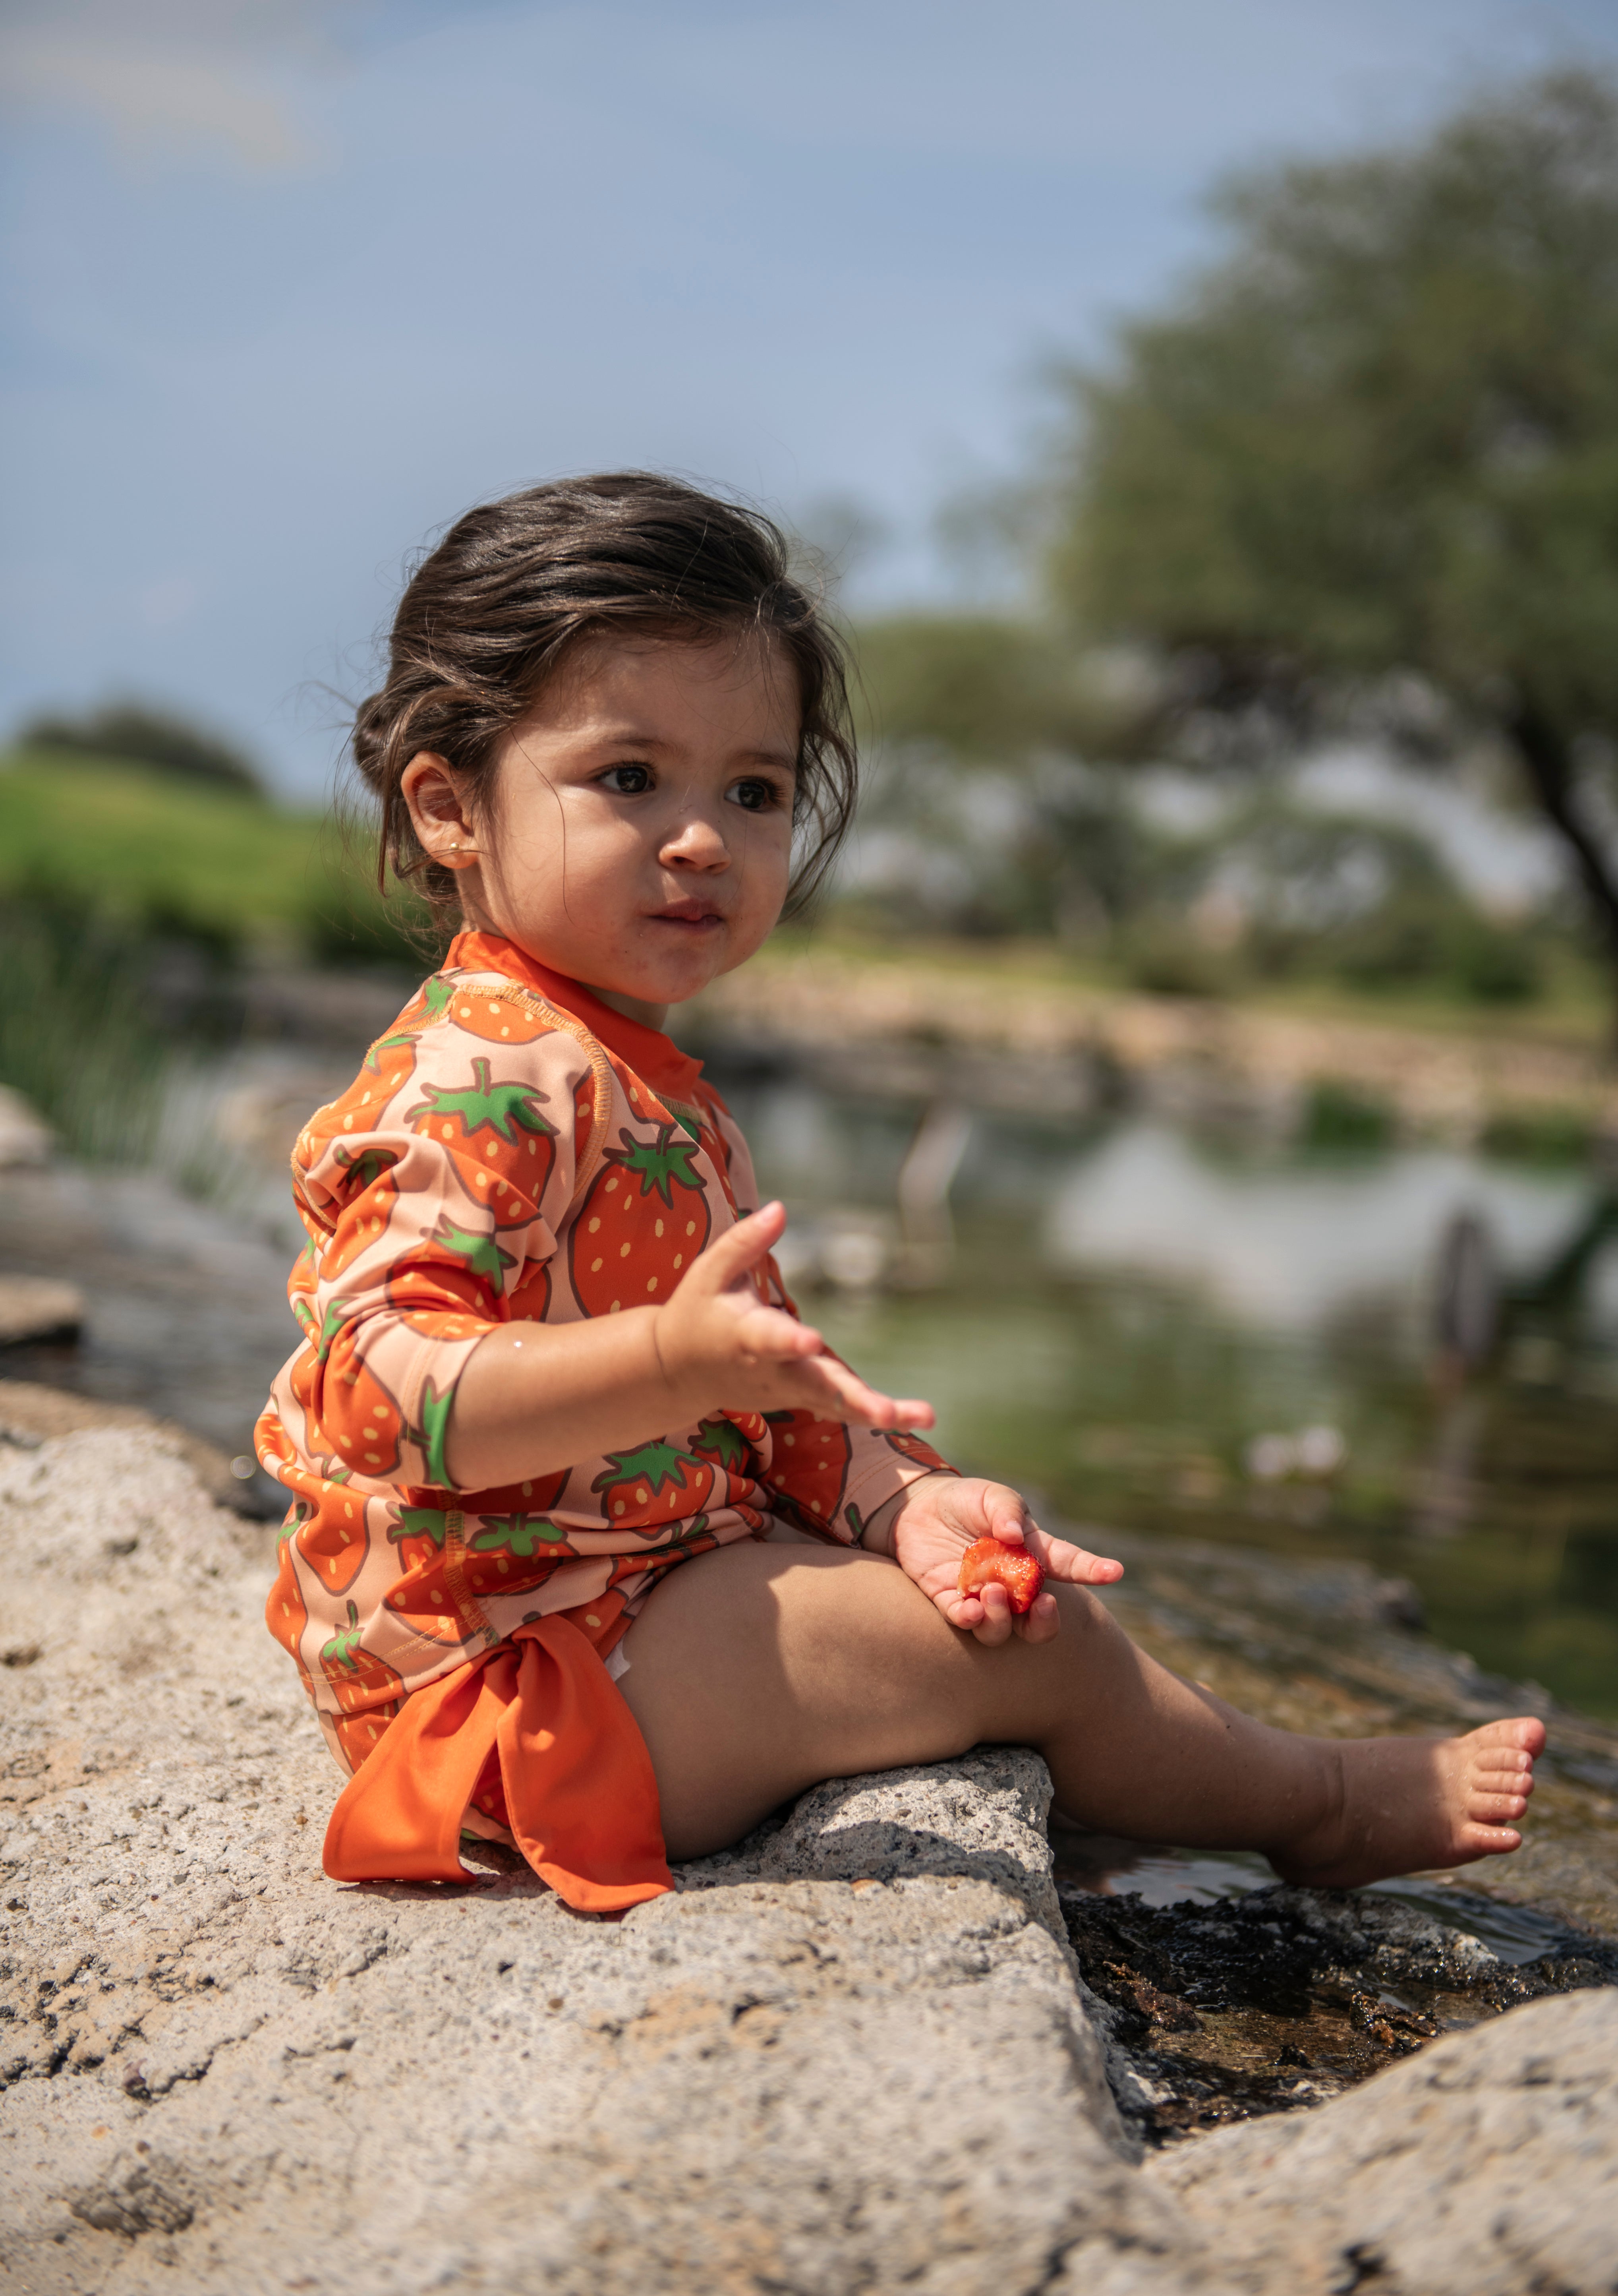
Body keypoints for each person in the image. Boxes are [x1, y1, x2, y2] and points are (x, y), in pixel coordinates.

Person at [257, 473, 1543, 1912]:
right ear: (450, 807)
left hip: (612, 1606)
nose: (701, 837)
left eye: (752, 791)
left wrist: (900, 1504)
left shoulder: (635, 1076)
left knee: (977, 1580)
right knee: (1029, 1649)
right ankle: (1317, 1805)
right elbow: (373, 1391)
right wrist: (664, 1359)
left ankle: (1138, 1781)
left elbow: (778, 1406)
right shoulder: (483, 1076)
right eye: (628, 778)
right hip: (516, 1685)